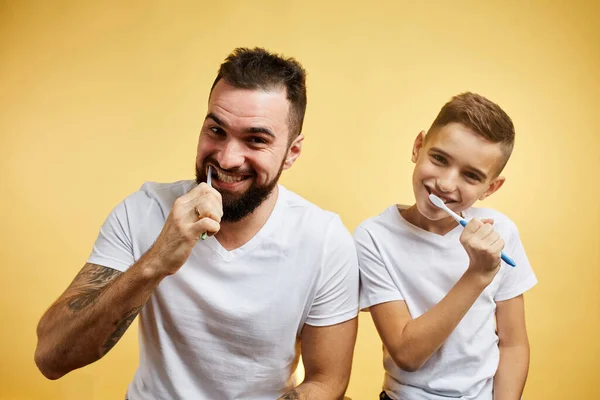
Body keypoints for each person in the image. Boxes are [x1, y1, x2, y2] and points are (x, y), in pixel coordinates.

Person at [35, 47, 359, 400]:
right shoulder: (144, 210)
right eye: (216, 130)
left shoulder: (325, 241)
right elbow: (52, 357)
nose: (227, 158)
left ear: (292, 152)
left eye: (256, 139)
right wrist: (156, 261)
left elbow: (327, 382)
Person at [355, 92, 537, 400]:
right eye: (439, 159)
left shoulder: (500, 232)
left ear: (491, 187)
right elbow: (407, 355)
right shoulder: (374, 237)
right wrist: (478, 275)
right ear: (418, 147)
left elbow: (513, 343)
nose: (446, 184)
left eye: (471, 175)